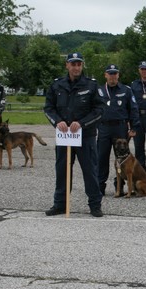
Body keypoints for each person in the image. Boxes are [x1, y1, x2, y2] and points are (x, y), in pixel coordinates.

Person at [43, 52, 106, 217]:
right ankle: (60, 204)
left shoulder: (91, 85)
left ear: (82, 66)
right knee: (62, 171)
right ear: (67, 65)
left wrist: (82, 123)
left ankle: (95, 205)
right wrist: (57, 121)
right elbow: (48, 108)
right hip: (64, 136)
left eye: (79, 64)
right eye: (73, 64)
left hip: (86, 136)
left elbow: (100, 110)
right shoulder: (57, 85)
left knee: (90, 171)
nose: (76, 67)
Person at [96, 64, 140, 195]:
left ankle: (119, 187)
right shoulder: (99, 91)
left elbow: (133, 109)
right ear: (105, 75)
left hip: (120, 128)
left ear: (118, 75)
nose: (112, 76)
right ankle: (99, 187)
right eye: (110, 74)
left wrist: (134, 127)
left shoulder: (126, 90)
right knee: (101, 158)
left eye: (115, 74)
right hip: (104, 127)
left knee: (121, 158)